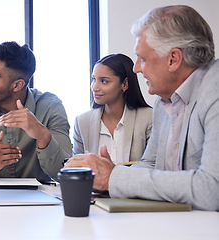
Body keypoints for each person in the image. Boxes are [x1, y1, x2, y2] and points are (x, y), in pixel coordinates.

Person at [64, 5, 219, 211]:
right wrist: (107, 177)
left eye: (142, 58)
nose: (136, 68)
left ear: (173, 59)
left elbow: (211, 190)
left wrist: (114, 178)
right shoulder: (163, 103)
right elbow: (150, 166)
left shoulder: (214, 92)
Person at [0, 41, 72, 183]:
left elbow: (66, 173)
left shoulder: (51, 107)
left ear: (17, 85)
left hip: (42, 201)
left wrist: (42, 136)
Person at [73, 54, 152, 164]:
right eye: (93, 79)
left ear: (125, 84)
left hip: (135, 181)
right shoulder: (82, 122)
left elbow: (153, 167)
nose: (94, 87)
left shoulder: (149, 118)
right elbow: (77, 169)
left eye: (104, 81)